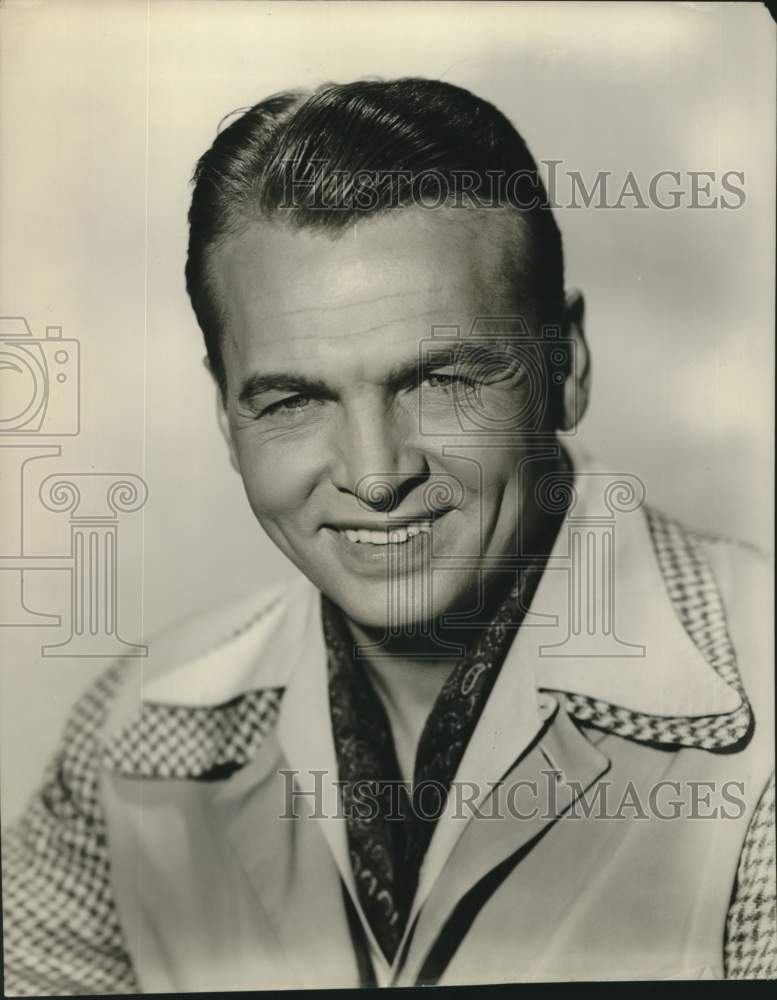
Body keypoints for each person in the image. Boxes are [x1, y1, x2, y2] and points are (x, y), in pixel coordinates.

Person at [2, 78, 774, 992]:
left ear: (563, 366)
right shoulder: (130, 736)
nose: (374, 476)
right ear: (224, 412)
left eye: (439, 381)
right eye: (294, 399)